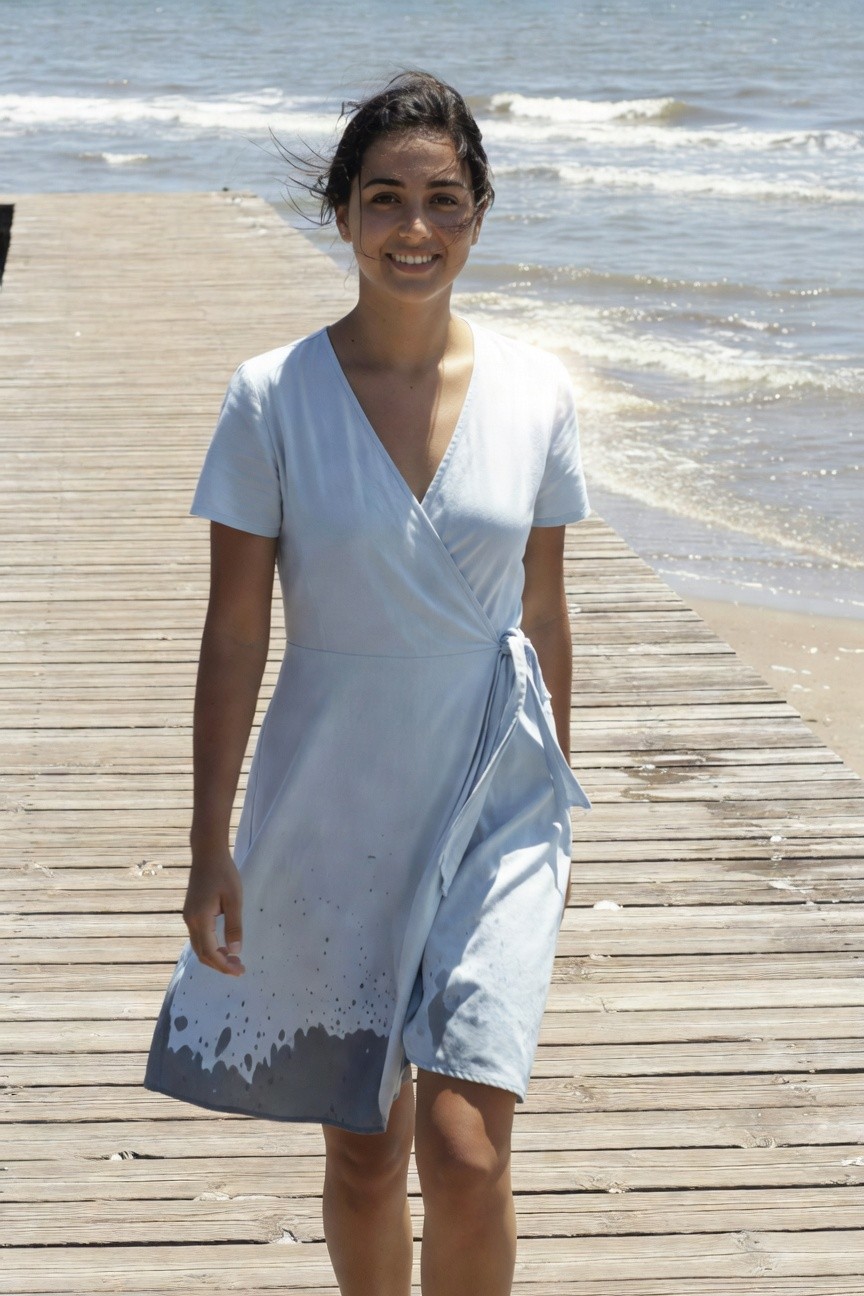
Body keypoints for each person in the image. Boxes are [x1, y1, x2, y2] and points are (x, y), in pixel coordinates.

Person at [145, 70, 591, 1296]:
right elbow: (235, 630)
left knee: (466, 1153)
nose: (414, 227)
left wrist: (558, 807)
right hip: (333, 795)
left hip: (497, 799)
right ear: (342, 214)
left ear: (478, 215)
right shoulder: (271, 397)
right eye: (385, 198)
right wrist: (209, 843)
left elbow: (545, 612)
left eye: (443, 199)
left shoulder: (539, 391)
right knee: (362, 1150)